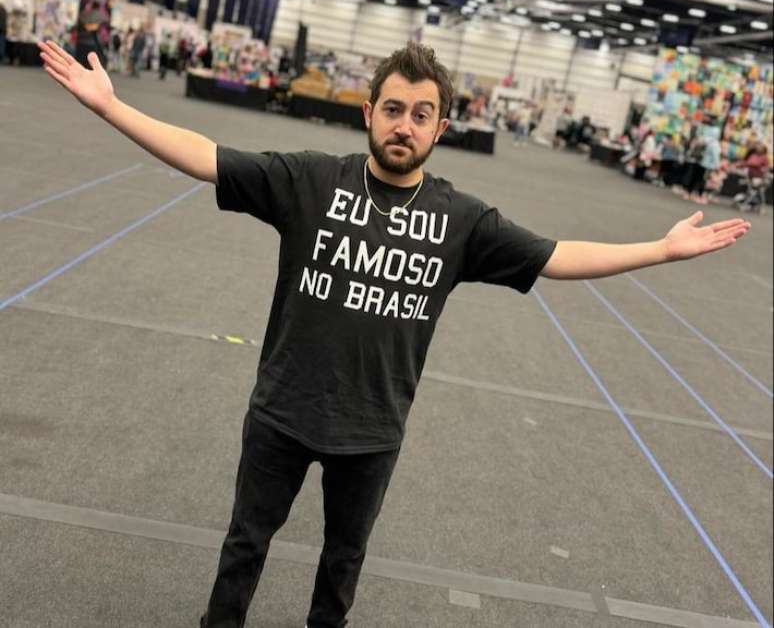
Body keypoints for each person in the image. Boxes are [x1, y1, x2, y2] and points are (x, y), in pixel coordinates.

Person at [36, 39, 751, 628]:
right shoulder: (311, 182)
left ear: (442, 128)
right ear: (368, 114)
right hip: (282, 413)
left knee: (342, 567)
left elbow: (558, 257)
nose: (404, 125)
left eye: (421, 114)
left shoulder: (463, 221)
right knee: (244, 548)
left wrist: (659, 250)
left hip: (373, 431)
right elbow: (206, 156)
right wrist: (113, 107)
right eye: (393, 109)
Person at [0, 0, 7, 65]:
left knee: (1, 44)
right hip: (3, 30)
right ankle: (2, 57)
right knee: (2, 44)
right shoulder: (4, 10)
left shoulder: (2, 10)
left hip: (1, 30)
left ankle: (1, 57)